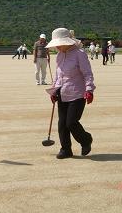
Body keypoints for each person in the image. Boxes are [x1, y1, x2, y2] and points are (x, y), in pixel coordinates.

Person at [46, 28, 96, 159]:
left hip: (78, 94)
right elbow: (58, 76)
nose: (56, 46)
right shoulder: (59, 55)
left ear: (67, 42)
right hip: (62, 93)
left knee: (71, 122)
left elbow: (87, 74)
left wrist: (89, 90)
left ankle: (86, 140)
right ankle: (66, 149)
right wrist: (54, 90)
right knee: (62, 124)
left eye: (58, 43)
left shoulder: (79, 54)